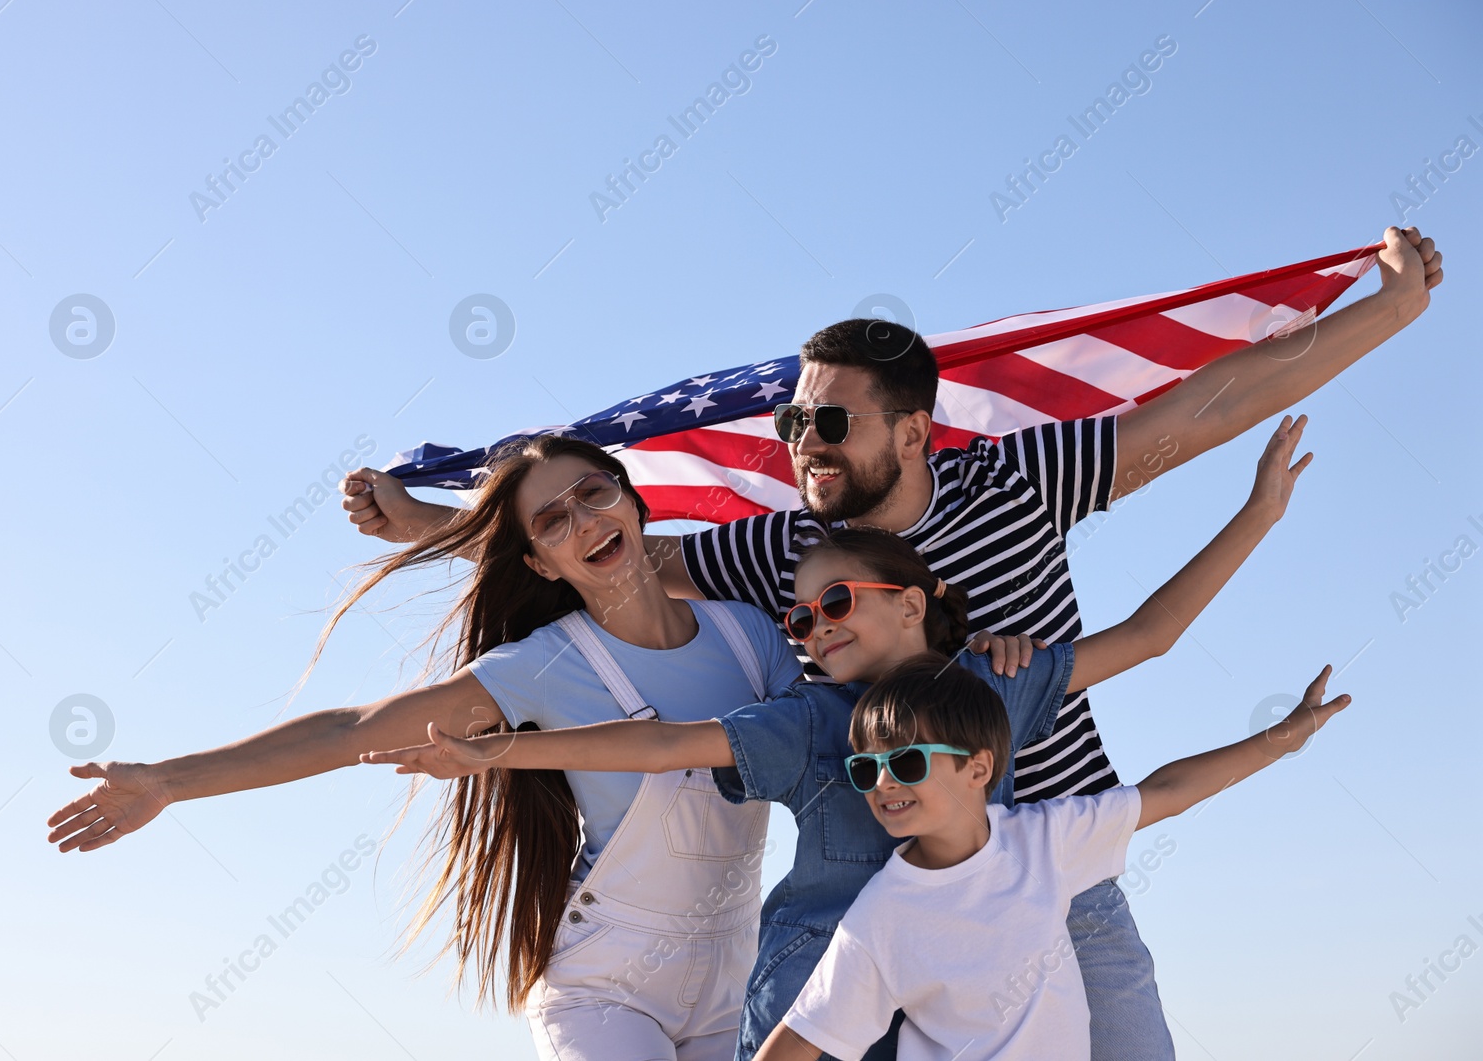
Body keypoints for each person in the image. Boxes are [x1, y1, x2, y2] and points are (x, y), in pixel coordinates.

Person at [341, 226, 1438, 1059]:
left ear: (912, 429)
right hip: (901, 897)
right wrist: (438, 529)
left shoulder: (1015, 478)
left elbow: (1206, 410)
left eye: (829, 421)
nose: (800, 442)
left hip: (1059, 864)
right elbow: (616, 557)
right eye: (791, 422)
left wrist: (1385, 312)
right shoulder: (786, 549)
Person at [367, 414, 1311, 1059]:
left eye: (833, 604)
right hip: (818, 971)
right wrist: (500, 751)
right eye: (798, 623)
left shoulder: (998, 686)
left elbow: (1148, 638)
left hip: (944, 981)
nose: (812, 630)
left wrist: (1260, 513)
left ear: (912, 601)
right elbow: (666, 743)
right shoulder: (816, 721)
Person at [50, 434, 910, 1061]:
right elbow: (350, 728)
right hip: (608, 988)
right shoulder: (541, 665)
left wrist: (1009, 665)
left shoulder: (753, 635)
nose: (583, 521)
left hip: (736, 978)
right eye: (553, 521)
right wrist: (165, 780)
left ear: (634, 498)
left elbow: (851, 719)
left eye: (595, 495)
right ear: (538, 561)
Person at [751, 656, 1350, 1061]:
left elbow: (1167, 792)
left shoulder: (1044, 840)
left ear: (978, 767)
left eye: (905, 762)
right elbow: (804, 1037)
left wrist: (1286, 737)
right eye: (865, 769)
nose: (882, 784)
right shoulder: (882, 914)